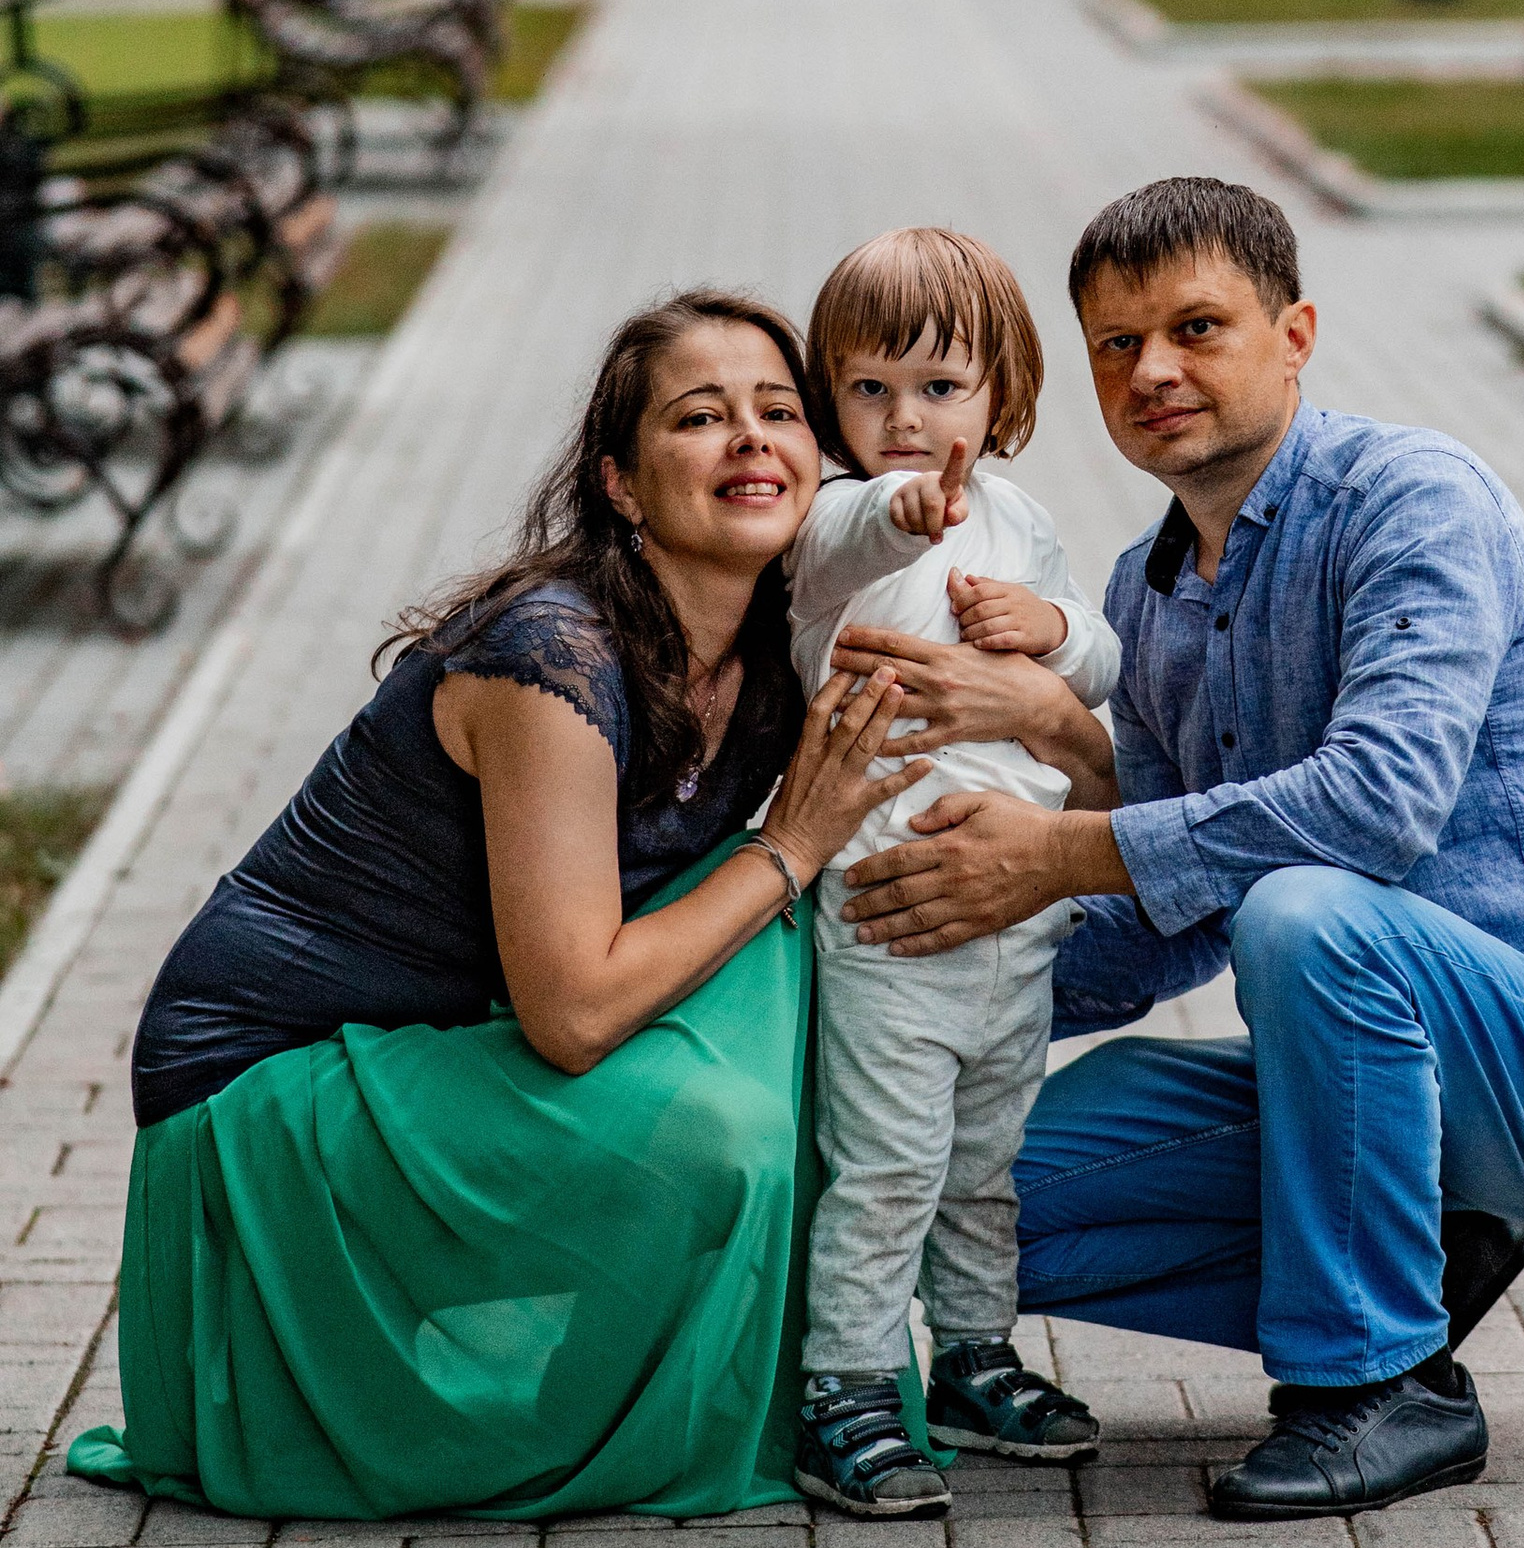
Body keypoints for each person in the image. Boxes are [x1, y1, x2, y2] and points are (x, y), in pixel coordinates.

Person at [831, 178, 1524, 1524]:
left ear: (1294, 334)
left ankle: (1374, 1384)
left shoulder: (1414, 502)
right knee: (982, 1189)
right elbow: (1165, 913)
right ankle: (1416, 1254)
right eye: (1118, 345)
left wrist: (1058, 848)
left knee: (1306, 912)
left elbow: (1379, 807)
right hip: (1356, 1074)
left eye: (1197, 328)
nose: (1155, 371)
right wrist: (897, 974)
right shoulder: (1144, 588)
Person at [71, 292, 926, 1521]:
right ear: (623, 485)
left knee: (804, 988)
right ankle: (641, 1405)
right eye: (701, 417)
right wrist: (790, 844)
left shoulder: (773, 652)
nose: (752, 437)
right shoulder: (551, 656)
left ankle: (826, 1381)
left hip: (432, 1043)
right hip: (263, 1090)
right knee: (723, 1113)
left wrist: (1061, 741)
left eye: (779, 411)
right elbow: (572, 1014)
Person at [782, 228, 1118, 1517]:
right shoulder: (831, 522)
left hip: (1012, 921)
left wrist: (1056, 631)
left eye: (939, 388)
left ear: (1000, 391)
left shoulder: (1023, 518)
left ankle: (974, 1353)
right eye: (870, 389)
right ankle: (848, 1383)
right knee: (886, 1164)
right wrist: (901, 504)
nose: (905, 419)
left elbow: (1099, 662)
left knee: (987, 1159)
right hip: (884, 914)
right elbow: (857, 539)